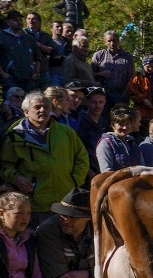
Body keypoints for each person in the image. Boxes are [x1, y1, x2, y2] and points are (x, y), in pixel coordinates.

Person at [0, 93, 89, 221]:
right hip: (36, 205)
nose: (42, 110)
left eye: (46, 107)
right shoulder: (15, 137)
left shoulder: (66, 131)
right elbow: (5, 165)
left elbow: (82, 157)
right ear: (26, 112)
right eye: (37, 107)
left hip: (65, 201)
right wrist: (17, 178)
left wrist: (75, 180)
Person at [90, 31, 134, 104]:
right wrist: (100, 74)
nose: (112, 43)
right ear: (105, 42)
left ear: (118, 41)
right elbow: (90, 74)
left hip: (120, 94)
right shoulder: (99, 55)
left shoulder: (127, 57)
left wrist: (125, 94)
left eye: (114, 40)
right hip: (102, 93)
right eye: (109, 41)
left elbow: (131, 78)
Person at [95, 108, 143, 173]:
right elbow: (106, 172)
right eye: (121, 124)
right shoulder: (106, 144)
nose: (125, 127)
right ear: (113, 125)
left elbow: (142, 167)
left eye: (127, 123)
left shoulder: (133, 143)